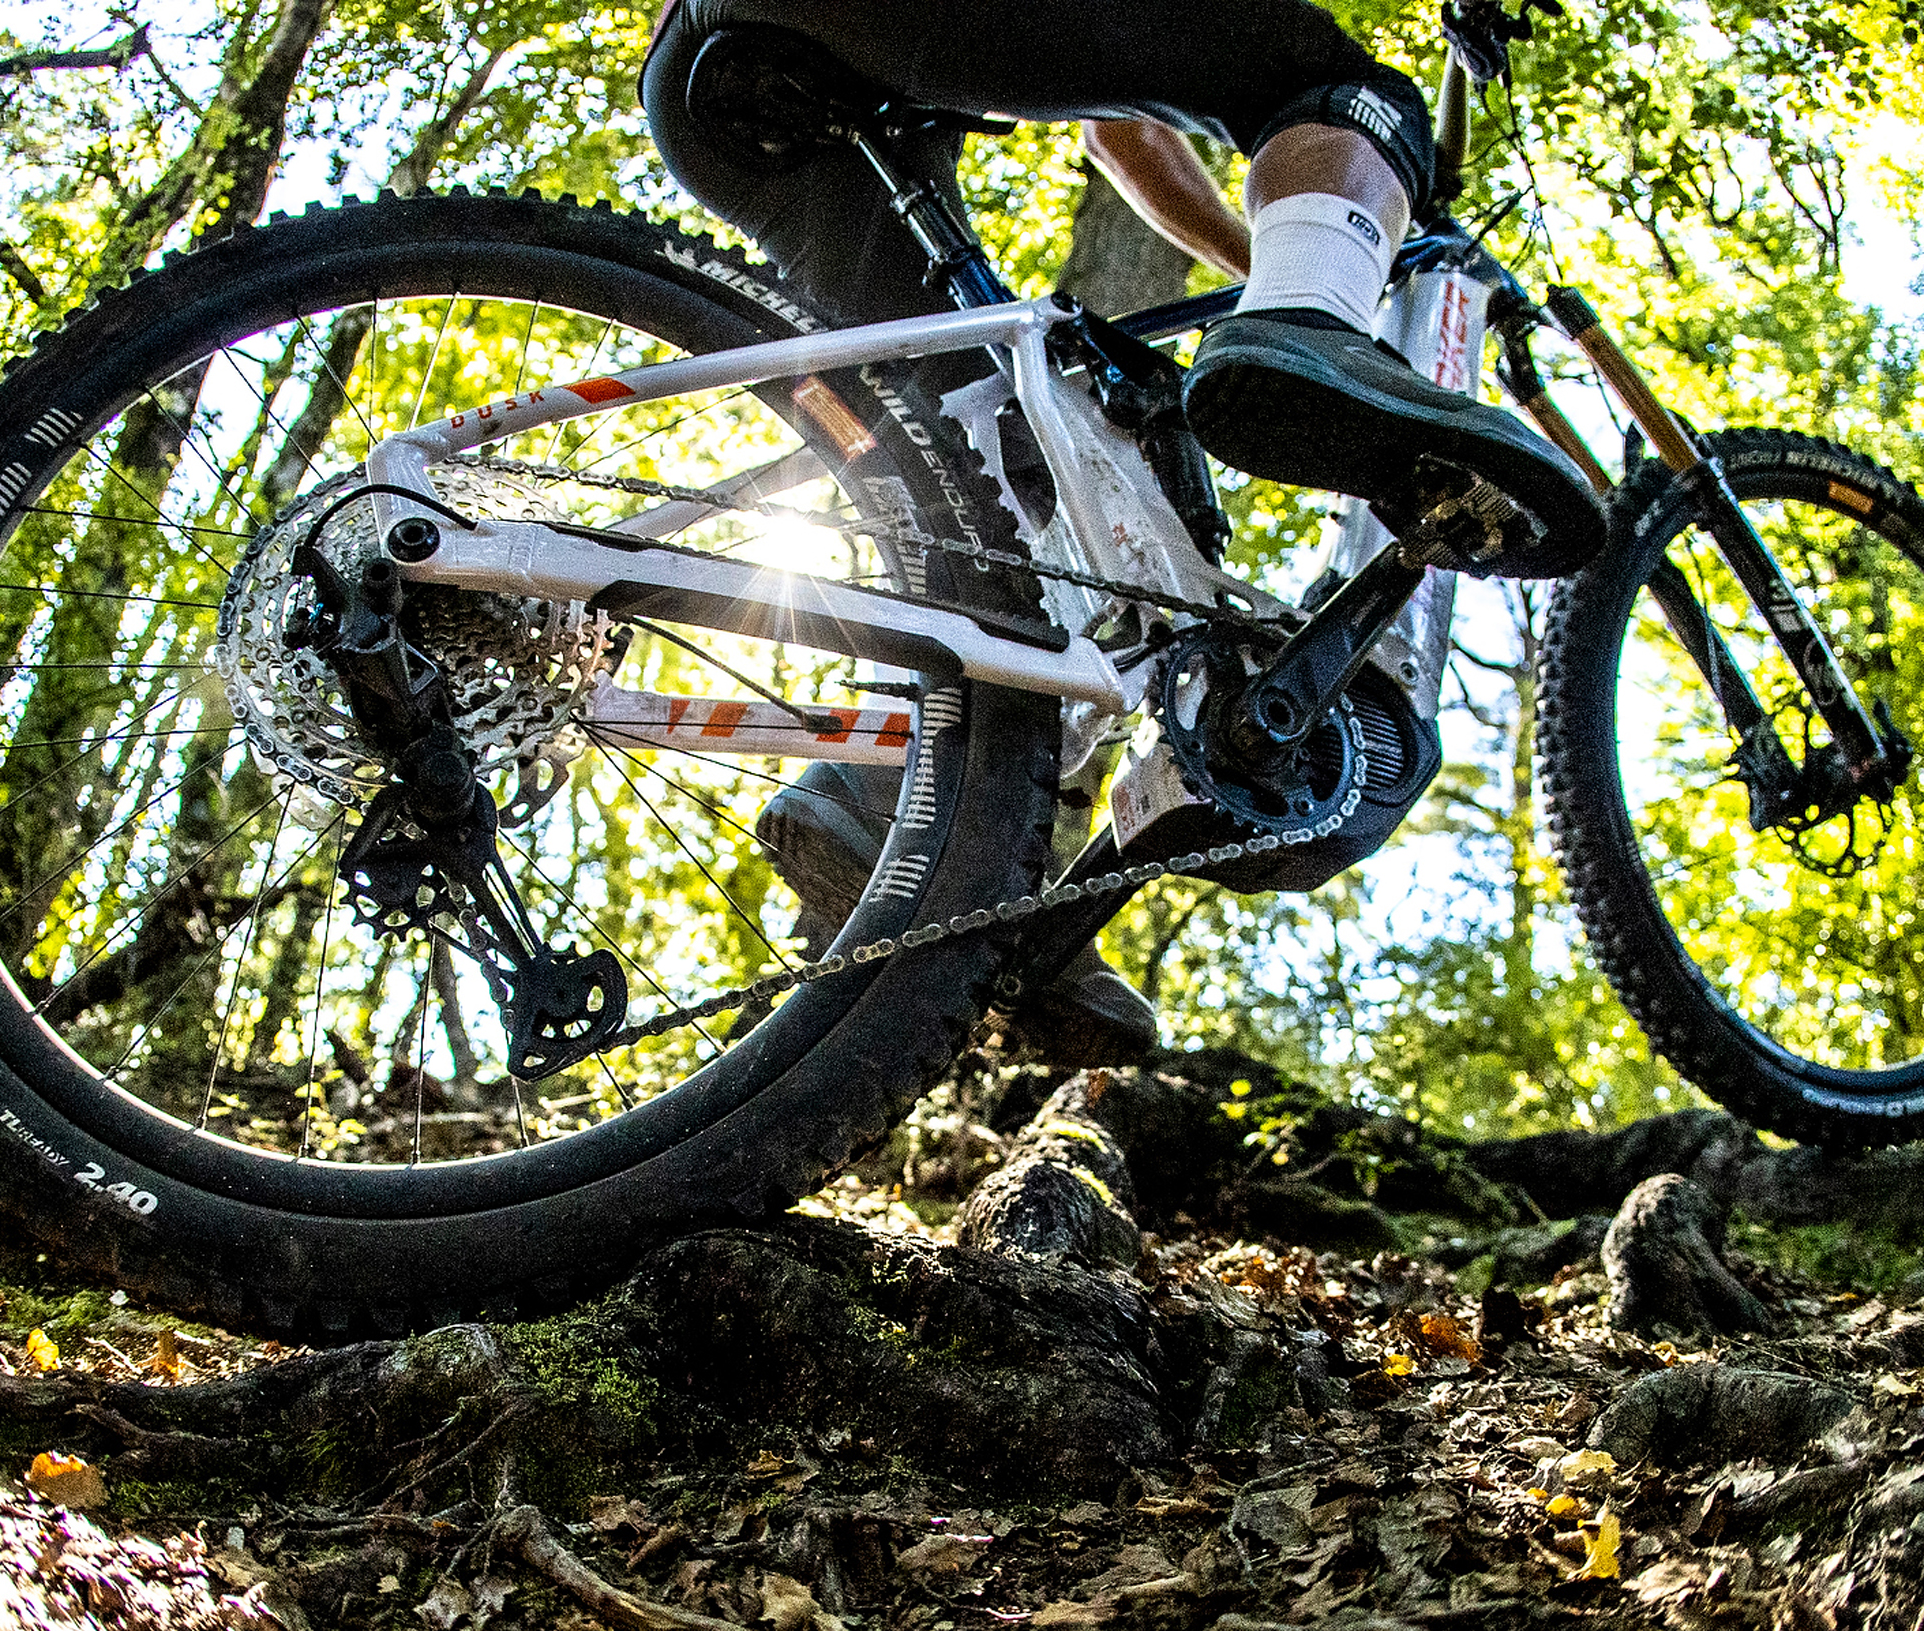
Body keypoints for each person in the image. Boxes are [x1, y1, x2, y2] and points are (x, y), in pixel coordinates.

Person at [639, 0, 1600, 1062]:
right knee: (1340, 95)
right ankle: (1308, 324)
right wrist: (1313, 270)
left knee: (999, 478)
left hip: (731, 92)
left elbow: (1126, 129)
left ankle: (920, 813)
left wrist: (1278, 257)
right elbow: (1132, 125)